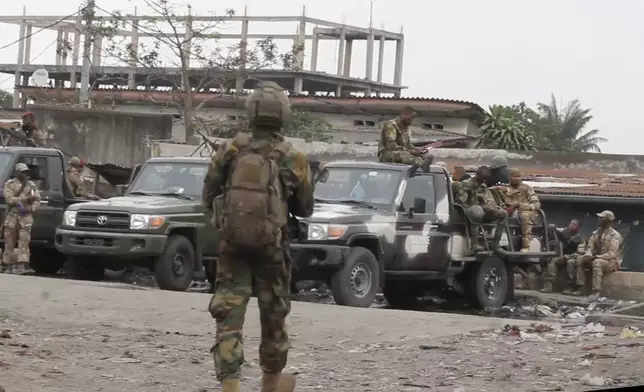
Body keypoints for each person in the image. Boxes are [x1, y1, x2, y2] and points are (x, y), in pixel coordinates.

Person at [202, 81, 314, 392]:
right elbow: (306, 209)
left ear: (250, 112)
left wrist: (229, 222)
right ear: (283, 116)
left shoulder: (230, 149)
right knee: (273, 313)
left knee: (228, 314)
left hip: (232, 246)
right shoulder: (293, 157)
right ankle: (272, 382)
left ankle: (231, 385)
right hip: (272, 249)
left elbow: (208, 194)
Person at [453, 166, 507, 251]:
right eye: (482, 178)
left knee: (503, 213)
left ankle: (495, 243)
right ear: (477, 175)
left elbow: (489, 199)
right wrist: (481, 206)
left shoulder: (483, 186)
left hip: (481, 210)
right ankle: (474, 244)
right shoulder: (465, 184)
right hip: (466, 211)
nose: (484, 181)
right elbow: (463, 202)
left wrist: (491, 207)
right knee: (477, 211)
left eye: (485, 179)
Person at [1, 163, 41, 274]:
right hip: (12, 217)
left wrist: (31, 209)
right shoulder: (10, 184)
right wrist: (25, 198)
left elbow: (37, 199)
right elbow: (9, 200)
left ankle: (22, 264)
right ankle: (6, 264)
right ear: (16, 172)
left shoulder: (31, 185)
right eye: (22, 172)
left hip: (25, 217)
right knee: (9, 242)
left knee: (24, 242)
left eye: (26, 172)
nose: (24, 174)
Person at [572, 211, 622, 298]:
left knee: (597, 262)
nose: (598, 219)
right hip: (595, 258)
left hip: (610, 262)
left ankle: (596, 292)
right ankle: (581, 288)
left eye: (601, 218)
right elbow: (589, 247)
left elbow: (612, 253)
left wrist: (595, 257)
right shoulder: (596, 233)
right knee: (580, 259)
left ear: (608, 221)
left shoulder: (615, 235)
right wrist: (588, 255)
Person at [377, 106, 433, 172]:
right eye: (410, 118)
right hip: (386, 153)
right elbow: (391, 145)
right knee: (404, 155)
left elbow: (408, 145)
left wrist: (417, 150)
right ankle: (422, 165)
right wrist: (410, 151)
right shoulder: (391, 125)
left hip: (401, 151)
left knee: (421, 155)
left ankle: (423, 165)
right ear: (404, 114)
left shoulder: (406, 129)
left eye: (412, 119)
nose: (411, 120)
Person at [500, 169, 540, 251]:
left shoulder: (526, 188)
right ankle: (502, 243)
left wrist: (520, 205)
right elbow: (501, 202)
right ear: (509, 177)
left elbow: (536, 204)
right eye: (515, 176)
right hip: (511, 213)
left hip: (526, 212)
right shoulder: (505, 189)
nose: (517, 178)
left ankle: (526, 246)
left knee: (524, 215)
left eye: (519, 176)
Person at [541, 219, 585, 293]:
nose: (571, 225)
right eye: (570, 223)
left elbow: (580, 254)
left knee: (570, 263)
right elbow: (554, 230)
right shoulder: (563, 233)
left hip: (572, 257)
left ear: (578, 228)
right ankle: (548, 286)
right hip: (561, 256)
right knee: (552, 261)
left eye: (574, 224)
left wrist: (566, 257)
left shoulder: (580, 239)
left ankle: (569, 287)